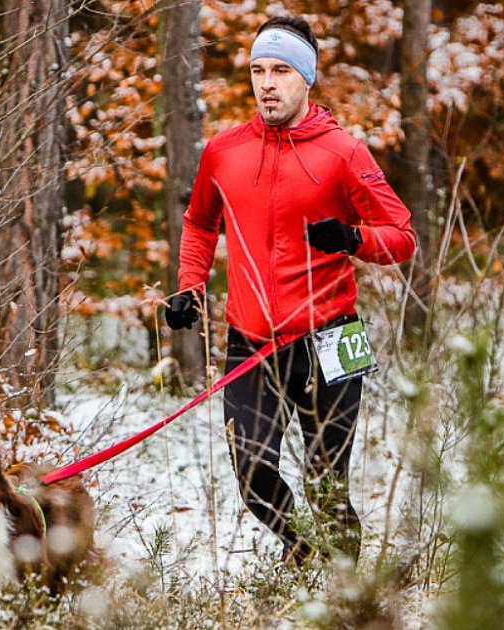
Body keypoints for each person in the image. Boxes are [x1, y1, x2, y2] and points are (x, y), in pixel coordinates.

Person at [164, 15, 416, 566]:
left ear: (307, 78)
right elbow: (201, 223)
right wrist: (190, 286)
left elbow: (403, 237)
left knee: (328, 484)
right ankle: (304, 551)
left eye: (281, 69)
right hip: (251, 341)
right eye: (258, 70)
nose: (267, 83)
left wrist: (353, 238)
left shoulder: (345, 152)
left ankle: (348, 590)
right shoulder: (224, 151)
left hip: (333, 336)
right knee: (252, 474)